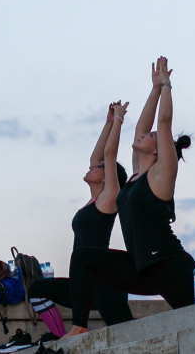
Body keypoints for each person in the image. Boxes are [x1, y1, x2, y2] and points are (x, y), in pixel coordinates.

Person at [67, 58, 195, 335]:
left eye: (151, 137)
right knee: (83, 258)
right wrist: (153, 90)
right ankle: (78, 327)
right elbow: (143, 127)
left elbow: (163, 122)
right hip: (139, 268)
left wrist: (166, 85)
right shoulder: (137, 175)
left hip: (168, 266)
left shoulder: (162, 175)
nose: (143, 135)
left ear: (159, 150)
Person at [25, 102, 134, 330]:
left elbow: (109, 154)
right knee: (37, 290)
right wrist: (107, 123)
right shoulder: (93, 201)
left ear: (108, 177)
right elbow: (98, 156)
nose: (92, 167)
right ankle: (59, 335)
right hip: (83, 283)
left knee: (128, 333)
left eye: (99, 168)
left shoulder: (109, 200)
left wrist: (119, 121)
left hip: (105, 282)